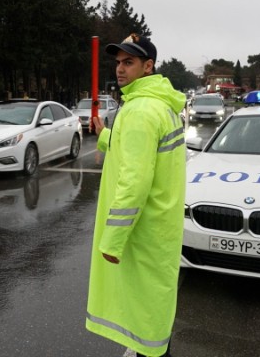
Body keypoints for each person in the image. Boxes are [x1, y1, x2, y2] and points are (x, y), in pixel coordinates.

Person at [85, 33, 186, 357]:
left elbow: (135, 181)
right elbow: (140, 153)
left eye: (128, 62)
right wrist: (106, 136)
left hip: (142, 234)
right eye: (118, 62)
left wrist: (113, 240)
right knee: (153, 313)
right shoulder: (159, 104)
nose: (120, 68)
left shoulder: (140, 110)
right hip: (159, 229)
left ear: (148, 66)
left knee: (146, 323)